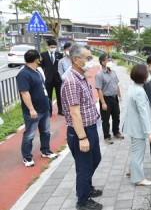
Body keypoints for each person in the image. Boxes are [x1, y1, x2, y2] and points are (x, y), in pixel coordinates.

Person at [61, 44, 103, 210]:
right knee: (84, 168)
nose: (90, 61)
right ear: (76, 60)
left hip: (90, 127)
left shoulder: (81, 77)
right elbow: (74, 113)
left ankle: (86, 188)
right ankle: (83, 201)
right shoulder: (72, 81)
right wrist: (82, 138)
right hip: (81, 131)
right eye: (87, 58)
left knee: (95, 159)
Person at [16, 49, 58, 167]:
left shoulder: (37, 71)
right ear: (36, 59)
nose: (41, 59)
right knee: (29, 135)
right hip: (34, 111)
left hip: (44, 108)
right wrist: (31, 109)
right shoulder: (23, 74)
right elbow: (24, 93)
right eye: (40, 57)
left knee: (45, 132)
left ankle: (45, 151)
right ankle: (27, 157)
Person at [122, 64, 151, 186]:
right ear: (143, 77)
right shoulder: (140, 92)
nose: (148, 76)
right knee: (138, 153)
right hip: (138, 128)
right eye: (147, 74)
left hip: (132, 125)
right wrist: (150, 132)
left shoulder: (133, 86)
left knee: (136, 151)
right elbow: (143, 113)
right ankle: (138, 179)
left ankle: (131, 171)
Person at [95, 53, 124, 145]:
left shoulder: (113, 72)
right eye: (108, 60)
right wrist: (103, 103)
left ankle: (116, 132)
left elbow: (117, 84)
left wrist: (119, 95)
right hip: (106, 99)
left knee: (116, 116)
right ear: (103, 62)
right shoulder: (99, 75)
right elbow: (99, 90)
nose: (110, 62)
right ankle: (107, 136)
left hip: (114, 98)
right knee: (106, 119)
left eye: (110, 60)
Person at [41, 39, 64, 116]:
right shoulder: (43, 55)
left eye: (54, 47)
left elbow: (61, 66)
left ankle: (60, 110)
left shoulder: (59, 55)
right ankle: (49, 112)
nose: (53, 48)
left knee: (59, 96)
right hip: (48, 79)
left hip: (58, 79)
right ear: (48, 46)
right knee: (49, 96)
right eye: (51, 47)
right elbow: (41, 67)